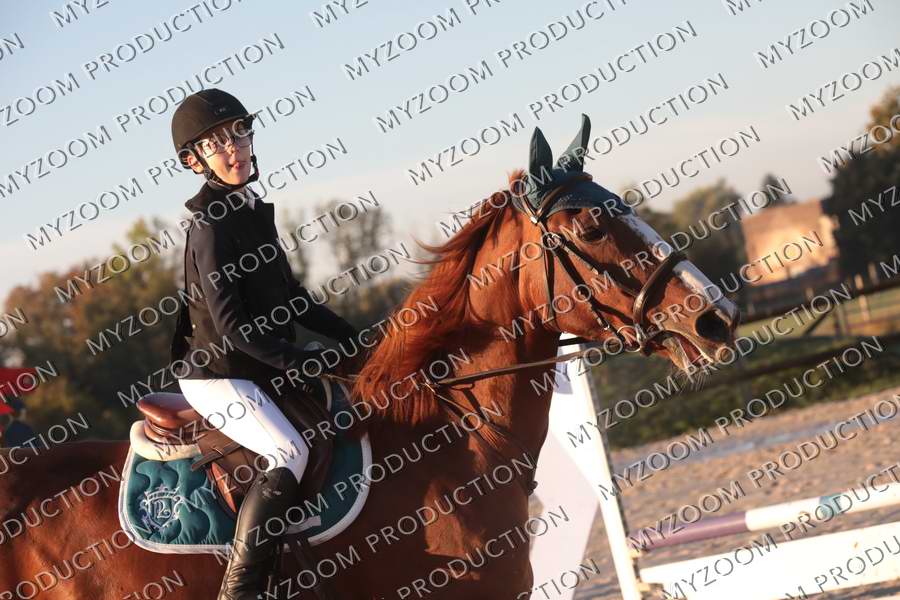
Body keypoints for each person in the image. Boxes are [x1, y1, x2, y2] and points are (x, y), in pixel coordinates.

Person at [169, 88, 358, 600]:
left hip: (257, 369)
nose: (234, 149)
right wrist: (300, 361)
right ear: (194, 161)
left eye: (239, 133)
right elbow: (231, 328)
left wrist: (354, 339)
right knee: (287, 451)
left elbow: (293, 300)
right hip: (218, 376)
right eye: (217, 144)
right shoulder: (209, 225)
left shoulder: (251, 210)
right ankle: (240, 589)